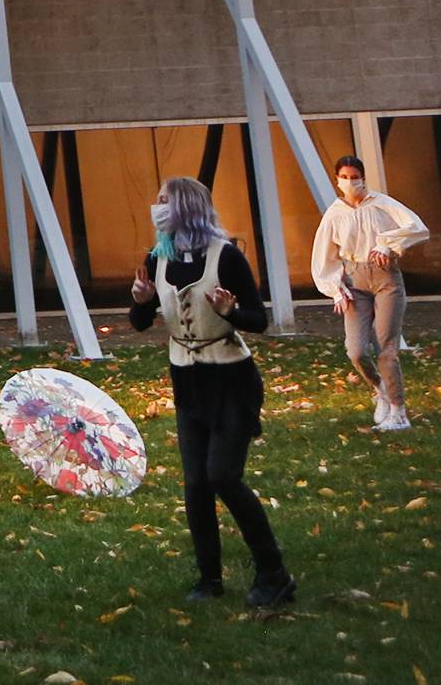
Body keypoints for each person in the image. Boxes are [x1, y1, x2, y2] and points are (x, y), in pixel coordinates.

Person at [128, 175, 295, 609]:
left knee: (223, 475)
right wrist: (142, 299)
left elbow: (259, 320)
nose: (156, 207)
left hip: (231, 379)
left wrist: (229, 311)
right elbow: (140, 322)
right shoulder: (157, 257)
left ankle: (274, 572)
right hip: (188, 380)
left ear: (184, 206)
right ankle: (208, 579)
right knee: (196, 484)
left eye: (163, 200)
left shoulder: (226, 256)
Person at [309, 154, 429, 431]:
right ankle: (381, 389)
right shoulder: (335, 213)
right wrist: (335, 289)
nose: (350, 182)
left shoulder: (381, 203)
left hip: (385, 276)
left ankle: (399, 412)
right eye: (345, 178)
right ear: (337, 180)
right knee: (356, 350)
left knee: (386, 346)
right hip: (354, 280)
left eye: (355, 177)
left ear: (363, 177)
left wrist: (387, 244)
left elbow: (416, 228)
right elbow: (324, 254)